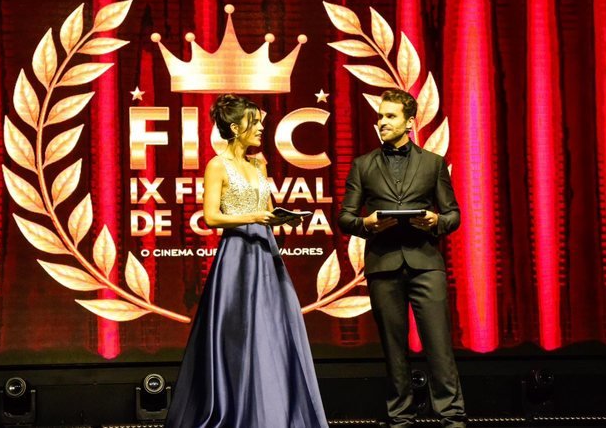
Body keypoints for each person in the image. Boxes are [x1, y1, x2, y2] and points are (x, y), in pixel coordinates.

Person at [165, 94, 329, 428]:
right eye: (254, 123)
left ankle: (274, 410)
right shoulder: (217, 165)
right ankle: (236, 409)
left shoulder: (258, 165)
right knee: (240, 333)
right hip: (238, 254)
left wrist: (280, 218)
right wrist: (252, 217)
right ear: (236, 127)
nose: (261, 129)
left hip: (266, 252)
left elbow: (266, 209)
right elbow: (211, 217)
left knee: (273, 328)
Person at [338, 88, 466, 428]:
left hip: (426, 264)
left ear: (410, 122)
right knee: (394, 349)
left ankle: (452, 418)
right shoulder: (363, 165)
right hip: (383, 265)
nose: (382, 122)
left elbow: (453, 214)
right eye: (380, 116)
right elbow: (345, 218)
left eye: (390, 116)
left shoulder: (432, 163)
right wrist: (367, 224)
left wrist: (437, 221)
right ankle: (401, 418)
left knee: (439, 346)